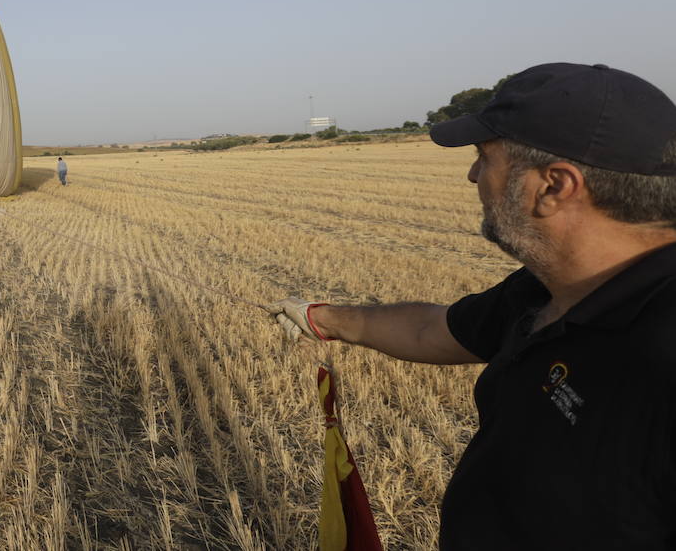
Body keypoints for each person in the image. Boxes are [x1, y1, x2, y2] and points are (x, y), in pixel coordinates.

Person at [268, 63, 676, 549]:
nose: (472, 174)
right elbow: (434, 329)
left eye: (484, 157)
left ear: (553, 186)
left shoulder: (661, 354)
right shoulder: (545, 288)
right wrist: (324, 318)